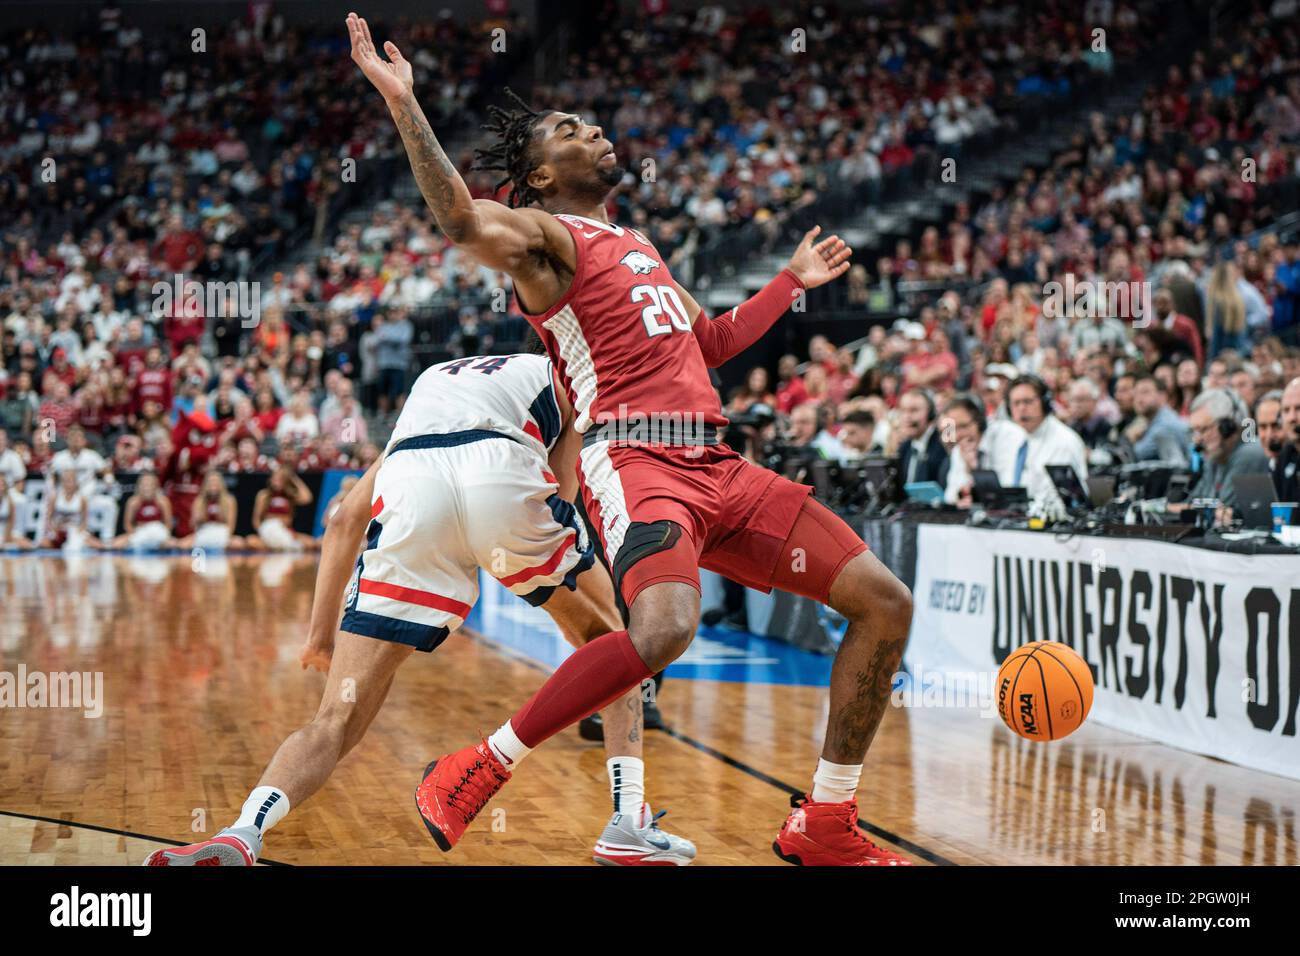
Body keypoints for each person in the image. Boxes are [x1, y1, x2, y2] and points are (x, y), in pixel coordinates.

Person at [347, 15, 913, 866]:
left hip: (717, 461)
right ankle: (477, 764)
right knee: (661, 631)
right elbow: (463, 223)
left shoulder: (639, 244)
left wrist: (786, 284)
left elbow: (710, 344)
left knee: (884, 603)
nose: (597, 131)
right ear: (540, 174)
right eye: (571, 130)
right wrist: (404, 105)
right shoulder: (548, 241)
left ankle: (826, 821)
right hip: (635, 458)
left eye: (593, 122)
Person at [146, 353, 695, 866]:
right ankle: (627, 820)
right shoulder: (562, 371)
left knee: (335, 719)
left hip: (413, 486)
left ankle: (242, 832)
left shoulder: (433, 388)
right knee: (615, 646)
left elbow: (340, 521)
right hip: (499, 470)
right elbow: (565, 488)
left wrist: (319, 637)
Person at [1181, 388, 1272, 523]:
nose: (1197, 439)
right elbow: (1193, 504)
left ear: (1227, 427)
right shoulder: (1214, 457)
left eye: (1203, 429)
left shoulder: (1250, 454)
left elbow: (1219, 512)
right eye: (1194, 431)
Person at [1001, 375, 1088, 510]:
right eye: (1016, 403)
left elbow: (1061, 500)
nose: (1021, 408)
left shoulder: (1064, 441)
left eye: (1028, 401)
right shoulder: (1015, 438)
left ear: (1045, 402)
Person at [940, 392, 1024, 506]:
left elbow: (1008, 488)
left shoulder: (1006, 436)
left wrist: (975, 472)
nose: (957, 435)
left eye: (963, 426)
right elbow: (950, 497)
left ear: (980, 421)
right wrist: (968, 470)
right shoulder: (960, 448)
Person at [247, 463, 318, 551]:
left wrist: (293, 477)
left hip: (286, 531)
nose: (277, 482)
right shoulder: (264, 495)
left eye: (281, 479)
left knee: (311, 543)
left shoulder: (290, 496)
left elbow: (307, 498)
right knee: (251, 541)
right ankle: (284, 546)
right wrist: (262, 532)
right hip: (268, 531)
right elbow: (256, 519)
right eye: (275, 479)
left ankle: (282, 546)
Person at [1129, 375, 1192, 466]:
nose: (1139, 398)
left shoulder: (1166, 423)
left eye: (1145, 392)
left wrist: (1131, 440)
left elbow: (1138, 454)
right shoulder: (1150, 421)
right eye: (1135, 394)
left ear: (1162, 396)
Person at [104, 471, 175, 551]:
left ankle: (152, 545)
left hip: (158, 531)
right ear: (139, 486)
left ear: (156, 486)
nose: (147, 487)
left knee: (172, 544)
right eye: (144, 484)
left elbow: (168, 524)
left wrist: (162, 535)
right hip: (140, 532)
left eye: (150, 484)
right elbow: (127, 524)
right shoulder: (133, 502)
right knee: (116, 544)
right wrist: (136, 533)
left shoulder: (163, 501)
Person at [180, 468, 245, 553]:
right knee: (183, 545)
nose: (213, 485)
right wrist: (197, 519)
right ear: (205, 485)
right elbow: (193, 525)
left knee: (239, 544)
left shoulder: (229, 500)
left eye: (215, 482)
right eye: (210, 483)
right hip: (204, 531)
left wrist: (226, 539)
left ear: (221, 484)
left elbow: (231, 525)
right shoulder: (199, 501)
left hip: (222, 532)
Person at [894, 388, 947, 485]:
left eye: (914, 410)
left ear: (931, 414)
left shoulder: (943, 444)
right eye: (903, 411)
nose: (906, 417)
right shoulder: (904, 448)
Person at [1270, 378, 1300, 516]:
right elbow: (1272, 505)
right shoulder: (1286, 454)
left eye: (1299, 408)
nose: (1292, 418)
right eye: (1286, 410)